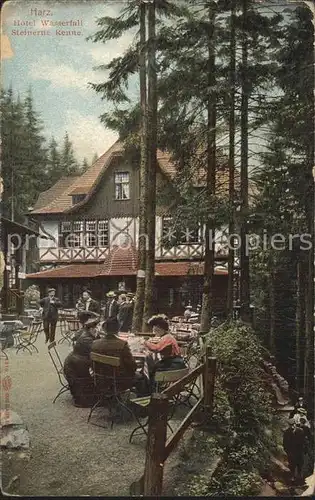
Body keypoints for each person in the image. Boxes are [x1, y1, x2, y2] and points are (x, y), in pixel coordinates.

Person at [91, 317, 137, 392]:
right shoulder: (122, 344)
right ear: (117, 329)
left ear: (104, 329)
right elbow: (132, 366)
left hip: (99, 379)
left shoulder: (95, 343)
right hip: (119, 380)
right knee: (141, 376)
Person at [63, 317, 100, 407]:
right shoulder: (86, 339)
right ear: (92, 329)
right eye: (96, 328)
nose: (98, 330)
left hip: (77, 365)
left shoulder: (86, 334)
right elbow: (98, 351)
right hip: (75, 370)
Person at [283, 419, 306, 484]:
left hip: (299, 450)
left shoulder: (300, 431)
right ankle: (292, 477)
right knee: (292, 464)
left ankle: (300, 477)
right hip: (291, 451)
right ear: (289, 425)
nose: (292, 426)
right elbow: (284, 442)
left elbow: (303, 441)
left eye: (293, 424)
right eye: (291, 425)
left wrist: (303, 449)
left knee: (300, 463)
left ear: (295, 424)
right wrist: (287, 450)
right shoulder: (287, 432)